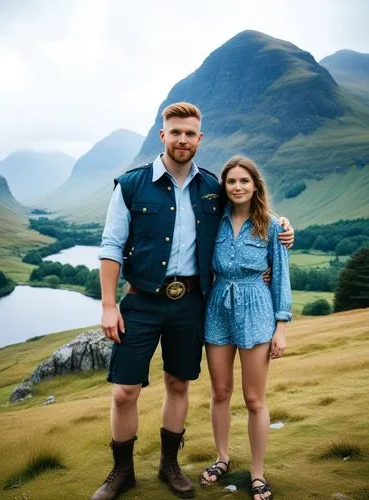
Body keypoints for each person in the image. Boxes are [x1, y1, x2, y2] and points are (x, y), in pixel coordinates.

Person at [91, 103, 294, 500]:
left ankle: (169, 466)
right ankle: (121, 472)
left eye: (190, 133)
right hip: (141, 302)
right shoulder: (131, 184)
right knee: (123, 391)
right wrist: (108, 305)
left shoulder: (211, 189)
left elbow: (249, 208)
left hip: (191, 303)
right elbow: (111, 246)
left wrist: (283, 226)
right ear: (162, 135)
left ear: (200, 139)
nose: (182, 139)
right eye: (175, 132)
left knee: (177, 383)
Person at [200, 155, 292, 500]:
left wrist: (280, 328)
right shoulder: (213, 223)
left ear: (255, 186)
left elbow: (281, 278)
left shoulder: (272, 227)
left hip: (257, 310)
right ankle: (222, 457)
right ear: (224, 187)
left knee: (254, 398)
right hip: (218, 310)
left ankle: (257, 473)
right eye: (231, 182)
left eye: (244, 181)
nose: (237, 187)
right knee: (220, 392)